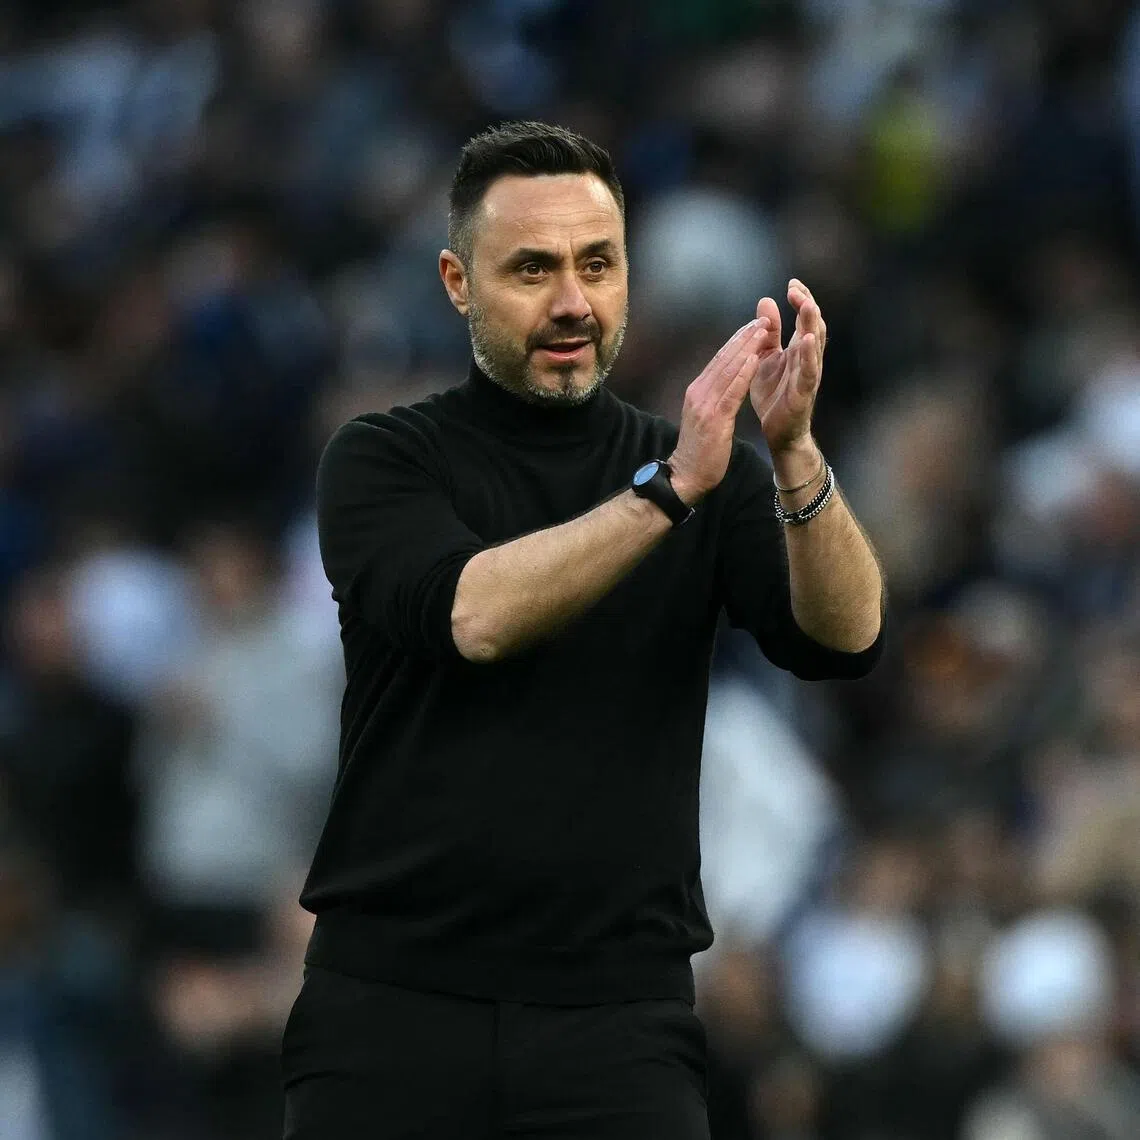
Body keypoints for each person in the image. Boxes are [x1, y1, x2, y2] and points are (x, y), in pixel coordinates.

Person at [281, 120, 885, 1140]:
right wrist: (671, 492)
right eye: (533, 269)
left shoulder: (710, 471)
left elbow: (846, 639)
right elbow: (473, 615)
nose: (572, 301)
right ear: (457, 282)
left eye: (597, 264)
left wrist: (794, 458)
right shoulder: (384, 459)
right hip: (391, 1011)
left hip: (620, 1023)